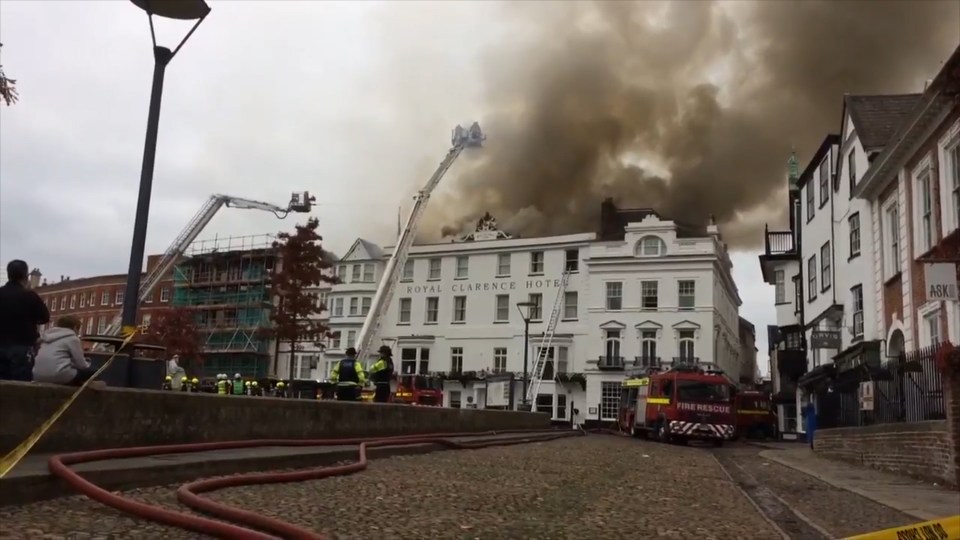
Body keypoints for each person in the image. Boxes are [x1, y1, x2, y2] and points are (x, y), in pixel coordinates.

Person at [0, 260, 50, 381]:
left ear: (8, 274)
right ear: (26, 276)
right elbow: (44, 317)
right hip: (22, 347)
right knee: (20, 385)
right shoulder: (30, 296)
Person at [32, 316, 99, 386]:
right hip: (58, 375)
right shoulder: (73, 339)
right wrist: (88, 363)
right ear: (75, 327)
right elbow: (82, 365)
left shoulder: (46, 337)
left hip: (37, 375)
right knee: (95, 371)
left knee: (73, 372)